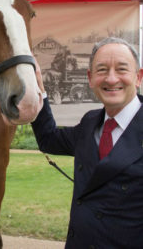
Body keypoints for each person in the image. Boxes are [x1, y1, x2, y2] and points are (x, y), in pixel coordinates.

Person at [32, 37, 143, 249]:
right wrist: (38, 88)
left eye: (121, 69)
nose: (111, 79)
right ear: (90, 78)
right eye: (102, 70)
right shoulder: (90, 122)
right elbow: (49, 139)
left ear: (138, 77)